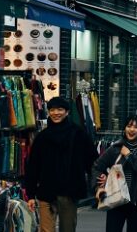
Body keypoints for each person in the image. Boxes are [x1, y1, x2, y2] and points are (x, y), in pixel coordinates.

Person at [24, 96, 97, 232]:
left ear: (67, 112)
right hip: (46, 192)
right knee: (46, 229)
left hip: (69, 192)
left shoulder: (78, 134)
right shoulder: (42, 137)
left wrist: (98, 182)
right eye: (52, 110)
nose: (56, 113)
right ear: (48, 112)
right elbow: (33, 166)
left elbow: (91, 160)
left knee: (68, 229)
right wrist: (30, 194)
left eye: (60, 109)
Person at [92, 114, 137, 232]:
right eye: (129, 126)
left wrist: (129, 155)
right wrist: (99, 186)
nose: (132, 129)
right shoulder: (115, 147)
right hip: (116, 198)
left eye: (136, 127)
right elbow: (97, 166)